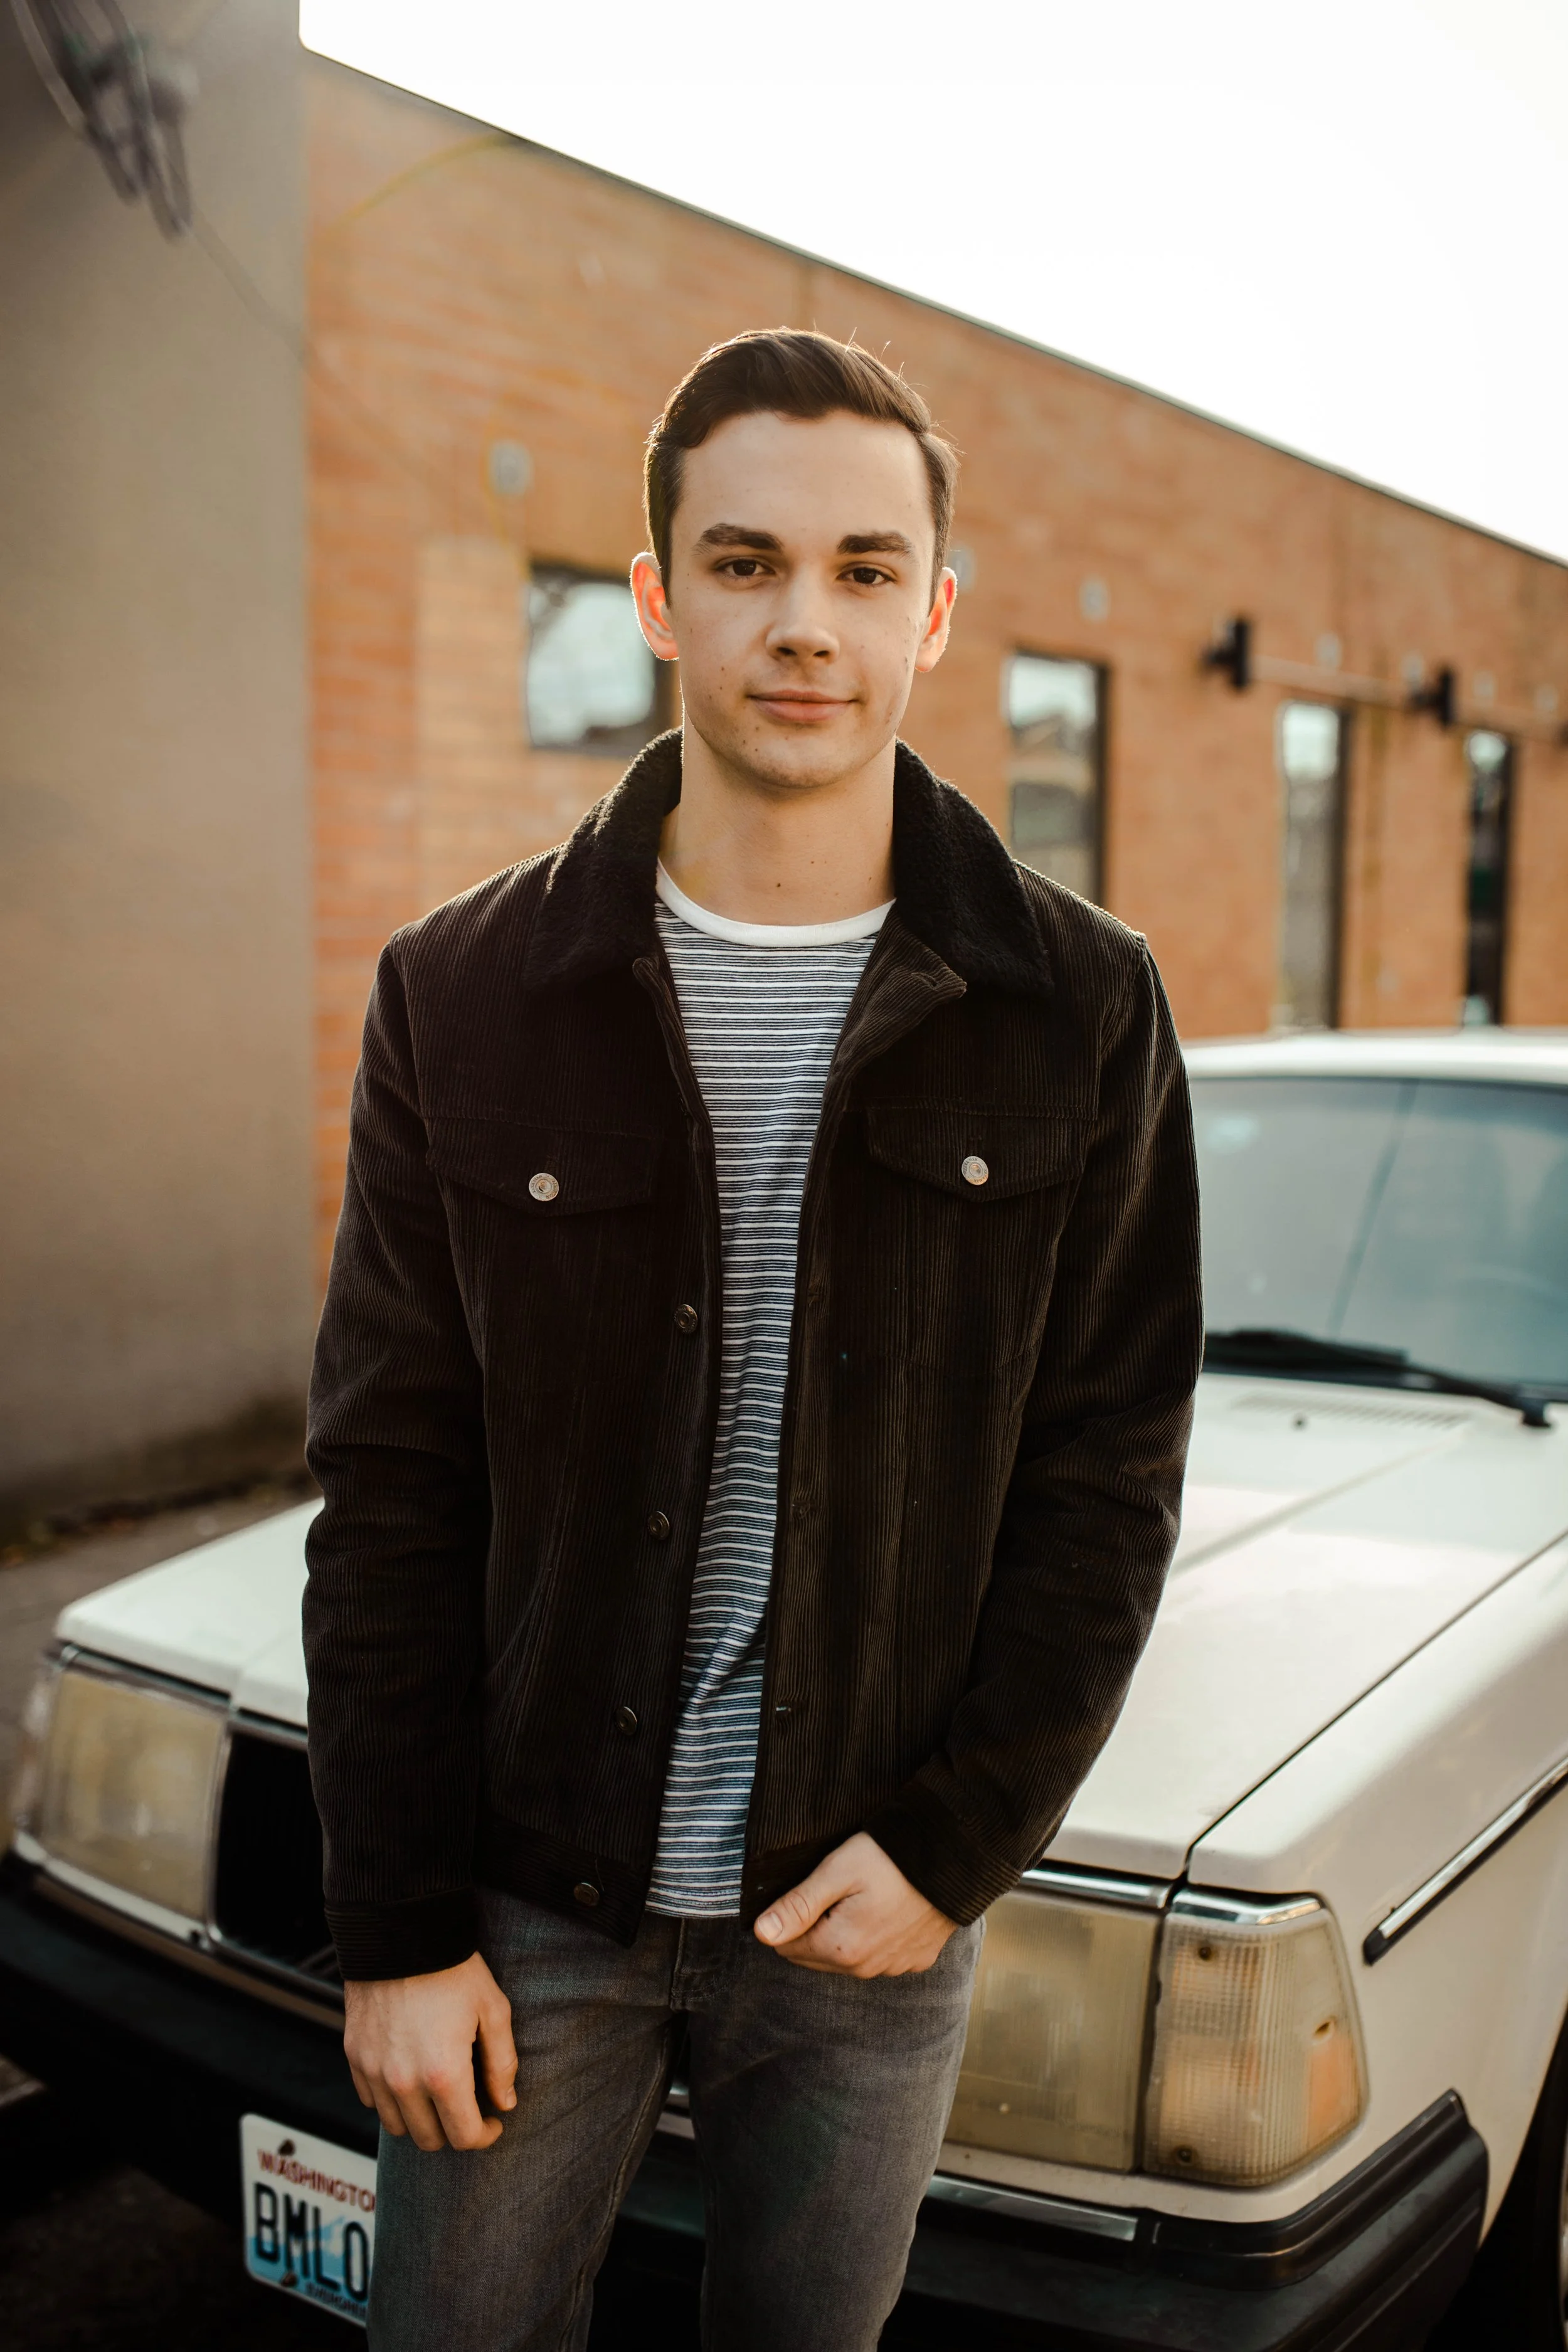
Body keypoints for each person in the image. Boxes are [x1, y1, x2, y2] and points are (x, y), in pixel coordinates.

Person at [304, 327, 1203, 2351]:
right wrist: (399, 1929)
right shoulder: (462, 994)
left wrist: (956, 1845)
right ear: (655, 597)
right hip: (527, 1911)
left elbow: (1108, 1469)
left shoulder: (1076, 1006)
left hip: (863, 1915)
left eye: (865, 570)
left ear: (934, 615)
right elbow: (388, 1485)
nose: (805, 622)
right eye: (745, 562)